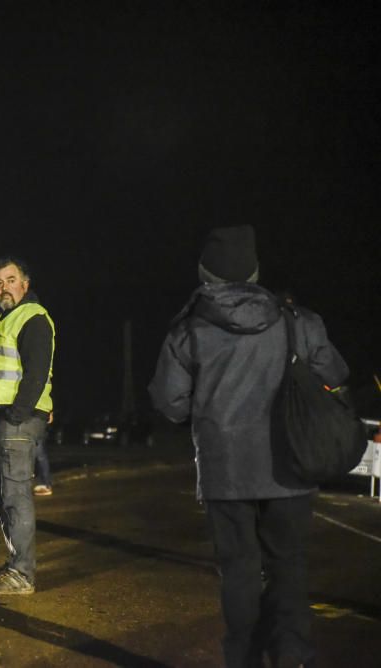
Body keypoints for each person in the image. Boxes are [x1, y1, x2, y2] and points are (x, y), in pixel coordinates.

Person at [148, 225, 350, 667]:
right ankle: (293, 654)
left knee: (239, 571)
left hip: (226, 471)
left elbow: (170, 402)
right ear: (255, 271)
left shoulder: (189, 330)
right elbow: (335, 374)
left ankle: (243, 659)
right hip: (292, 464)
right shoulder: (298, 321)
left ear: (206, 273)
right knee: (289, 565)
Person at [0, 256, 55, 596]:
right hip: (1, 418)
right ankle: (17, 566)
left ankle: (22, 574)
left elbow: (36, 372)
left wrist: (16, 415)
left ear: (25, 283)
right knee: (5, 497)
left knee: (17, 496)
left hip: (17, 420)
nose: (3, 287)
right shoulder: (6, 319)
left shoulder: (33, 318)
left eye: (10, 279)